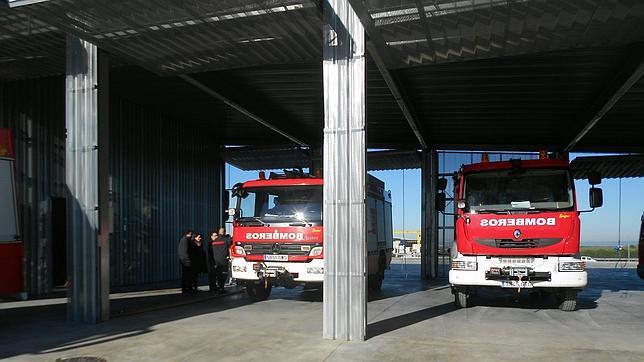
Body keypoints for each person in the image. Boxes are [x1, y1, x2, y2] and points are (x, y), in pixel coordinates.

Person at [208, 228, 232, 293]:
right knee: (223, 274)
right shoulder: (225, 240)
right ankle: (221, 287)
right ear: (224, 232)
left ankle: (215, 287)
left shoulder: (214, 241)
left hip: (215, 260)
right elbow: (231, 242)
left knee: (217, 274)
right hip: (223, 260)